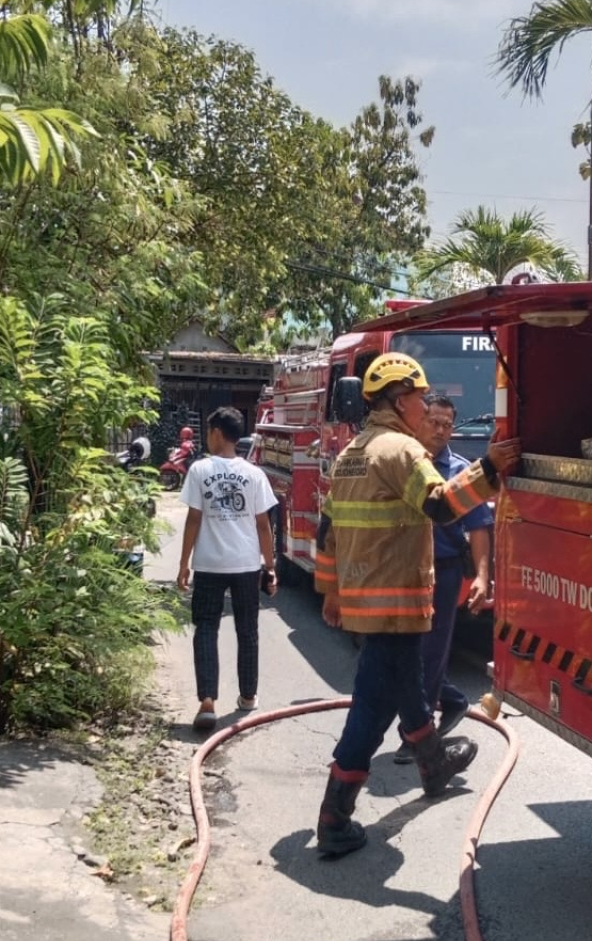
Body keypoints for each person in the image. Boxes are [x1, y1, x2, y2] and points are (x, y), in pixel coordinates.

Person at [313, 352, 520, 857]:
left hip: (367, 601)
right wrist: (490, 469)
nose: (428, 407)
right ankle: (335, 816)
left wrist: (332, 594)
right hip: (396, 602)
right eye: (422, 397)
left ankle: (432, 764)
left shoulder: (352, 454)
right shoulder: (401, 450)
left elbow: (327, 532)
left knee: (408, 681)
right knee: (372, 704)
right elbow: (441, 505)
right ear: (401, 399)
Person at [394, 393, 494, 764]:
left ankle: (416, 737)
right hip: (402, 570)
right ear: (418, 421)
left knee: (432, 653)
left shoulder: (461, 472)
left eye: (446, 424)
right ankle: (451, 700)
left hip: (444, 571)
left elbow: (480, 528)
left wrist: (482, 578)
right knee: (404, 653)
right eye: (432, 421)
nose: (439, 430)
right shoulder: (401, 464)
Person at [177, 406, 278, 732]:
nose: (207, 437)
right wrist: (270, 566)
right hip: (247, 565)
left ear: (217, 433)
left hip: (209, 565)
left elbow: (194, 519)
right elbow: (264, 526)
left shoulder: (199, 470)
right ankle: (248, 696)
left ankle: (207, 702)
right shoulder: (254, 474)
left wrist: (183, 564)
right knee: (247, 630)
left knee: (206, 628)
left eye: (208, 432)